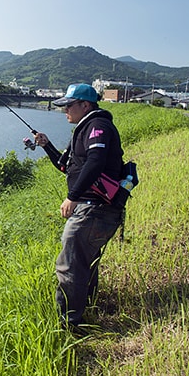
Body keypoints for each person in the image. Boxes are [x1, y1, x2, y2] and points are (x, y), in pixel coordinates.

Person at [33, 83, 125, 330]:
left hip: (94, 209)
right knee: (85, 261)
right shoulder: (84, 129)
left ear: (85, 105)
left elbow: (96, 161)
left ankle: (69, 325)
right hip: (93, 209)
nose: (65, 110)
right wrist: (47, 145)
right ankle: (87, 308)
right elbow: (66, 166)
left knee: (70, 265)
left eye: (68, 105)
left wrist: (72, 197)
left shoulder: (98, 126)